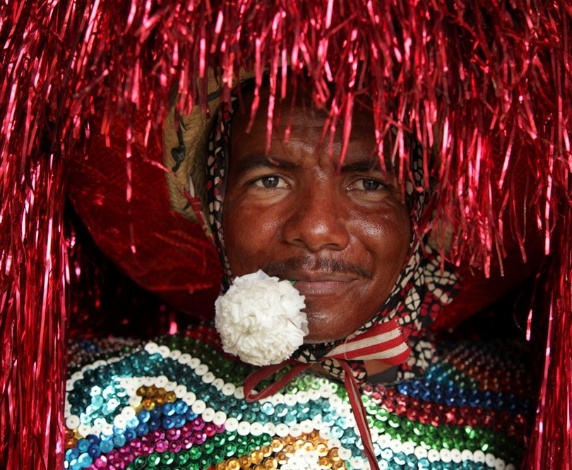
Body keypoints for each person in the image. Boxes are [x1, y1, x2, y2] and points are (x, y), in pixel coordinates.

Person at [63, 79, 535, 470]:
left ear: (420, 215)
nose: (316, 229)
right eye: (270, 181)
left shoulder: (522, 412)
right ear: (212, 206)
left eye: (369, 184)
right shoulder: (90, 408)